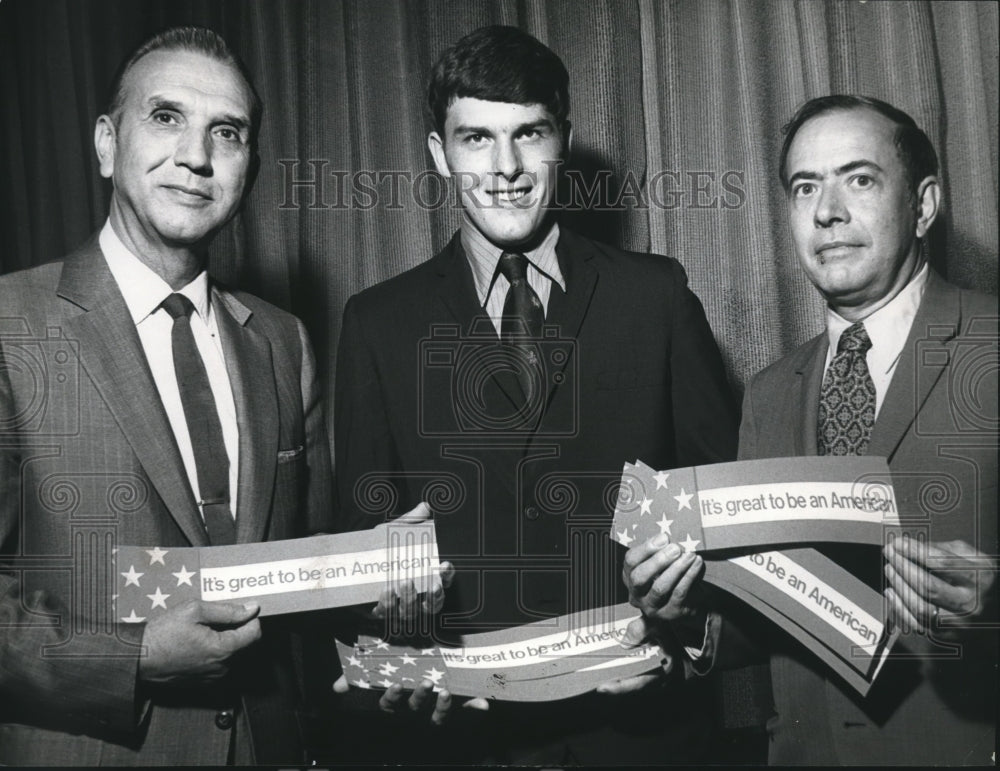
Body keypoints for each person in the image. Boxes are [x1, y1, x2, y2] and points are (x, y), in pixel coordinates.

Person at [332, 24, 739, 765]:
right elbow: (367, 553)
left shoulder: (657, 296)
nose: (507, 167)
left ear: (565, 141)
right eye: (476, 139)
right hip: (464, 744)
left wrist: (681, 644)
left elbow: (728, 527)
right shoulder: (376, 321)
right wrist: (403, 642)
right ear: (437, 154)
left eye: (530, 134)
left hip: (644, 742)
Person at [623, 95, 998, 765]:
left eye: (859, 179)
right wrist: (679, 612)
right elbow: (768, 619)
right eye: (805, 187)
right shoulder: (768, 392)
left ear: (924, 204)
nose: (828, 211)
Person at [0, 27, 334, 765]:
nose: (196, 155)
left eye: (228, 132)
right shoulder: (10, 325)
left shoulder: (283, 339)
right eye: (165, 117)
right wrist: (137, 655)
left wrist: (381, 561)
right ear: (105, 145)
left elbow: (304, 573)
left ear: (249, 167)